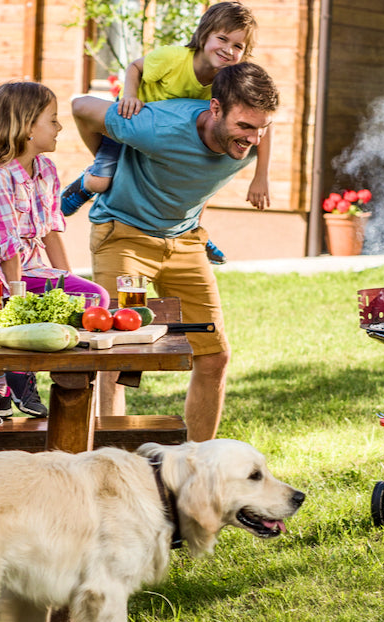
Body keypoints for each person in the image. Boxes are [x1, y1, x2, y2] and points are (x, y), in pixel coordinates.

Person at [71, 62, 279, 442]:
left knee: (214, 355)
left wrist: (261, 173)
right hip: (124, 233)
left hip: (185, 240)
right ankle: (107, 463)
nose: (252, 138)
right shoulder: (155, 126)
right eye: (245, 127)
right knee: (114, 354)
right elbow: (82, 107)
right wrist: (105, 162)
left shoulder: (252, 137)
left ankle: (197, 462)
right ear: (215, 109)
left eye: (260, 128)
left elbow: (261, 130)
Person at [0, 81, 111, 423]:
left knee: (95, 298)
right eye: (52, 119)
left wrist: (66, 281)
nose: (60, 127)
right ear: (26, 128)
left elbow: (51, 233)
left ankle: (30, 372)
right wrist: (18, 304)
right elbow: (6, 248)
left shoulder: (46, 171)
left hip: (30, 268)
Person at [61, 2, 269, 266]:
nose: (228, 50)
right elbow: (134, 68)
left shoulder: (226, 82)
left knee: (199, 185)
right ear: (204, 35)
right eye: (222, 39)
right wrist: (130, 97)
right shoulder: (173, 58)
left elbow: (263, 118)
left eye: (238, 46)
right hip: (135, 123)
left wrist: (260, 177)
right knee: (103, 181)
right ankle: (84, 183)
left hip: (173, 139)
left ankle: (193, 233)